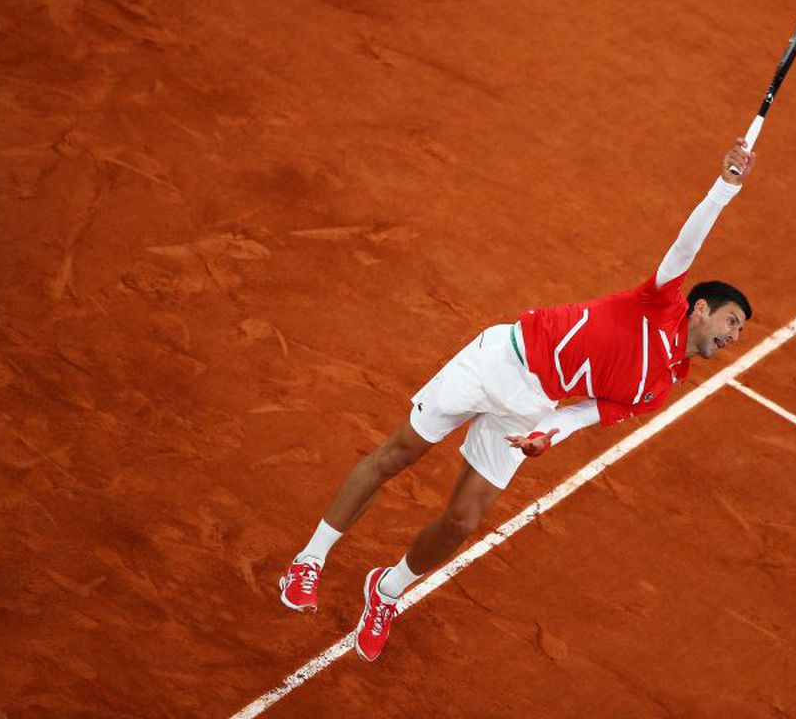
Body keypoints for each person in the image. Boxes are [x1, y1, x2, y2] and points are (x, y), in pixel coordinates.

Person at [279, 139, 756, 662]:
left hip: (532, 407)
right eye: (732, 321)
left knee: (462, 521)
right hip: (501, 360)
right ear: (701, 308)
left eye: (740, 331)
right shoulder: (660, 301)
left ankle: (386, 590)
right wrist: (723, 189)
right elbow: (686, 246)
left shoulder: (661, 386)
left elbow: (585, 412)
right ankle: (309, 560)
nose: (734, 335)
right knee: (399, 453)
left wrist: (545, 433)